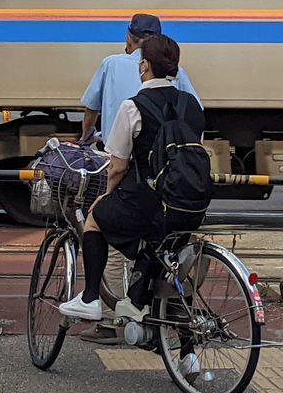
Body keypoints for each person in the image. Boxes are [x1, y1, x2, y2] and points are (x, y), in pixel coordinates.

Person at [59, 35, 206, 332]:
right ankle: (187, 354)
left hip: (147, 203)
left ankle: (89, 299)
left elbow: (117, 167)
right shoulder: (191, 105)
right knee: (166, 258)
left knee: (96, 220)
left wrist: (106, 198)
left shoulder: (133, 106)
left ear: (144, 66)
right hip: (189, 203)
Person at [80, 13, 201, 145]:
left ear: (128, 38)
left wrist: (86, 135)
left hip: (115, 153)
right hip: (161, 154)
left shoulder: (110, 64)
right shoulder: (175, 71)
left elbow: (92, 108)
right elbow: (195, 110)